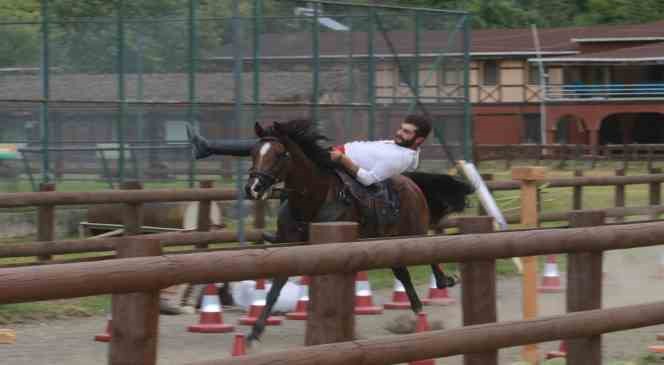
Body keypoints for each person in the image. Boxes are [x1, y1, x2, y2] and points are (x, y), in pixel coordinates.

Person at [330, 114, 431, 186]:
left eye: (406, 132)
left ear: (419, 140)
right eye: (400, 128)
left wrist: (341, 158)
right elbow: (413, 163)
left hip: (338, 161)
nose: (399, 133)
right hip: (337, 152)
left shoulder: (400, 158)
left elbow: (367, 180)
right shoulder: (402, 145)